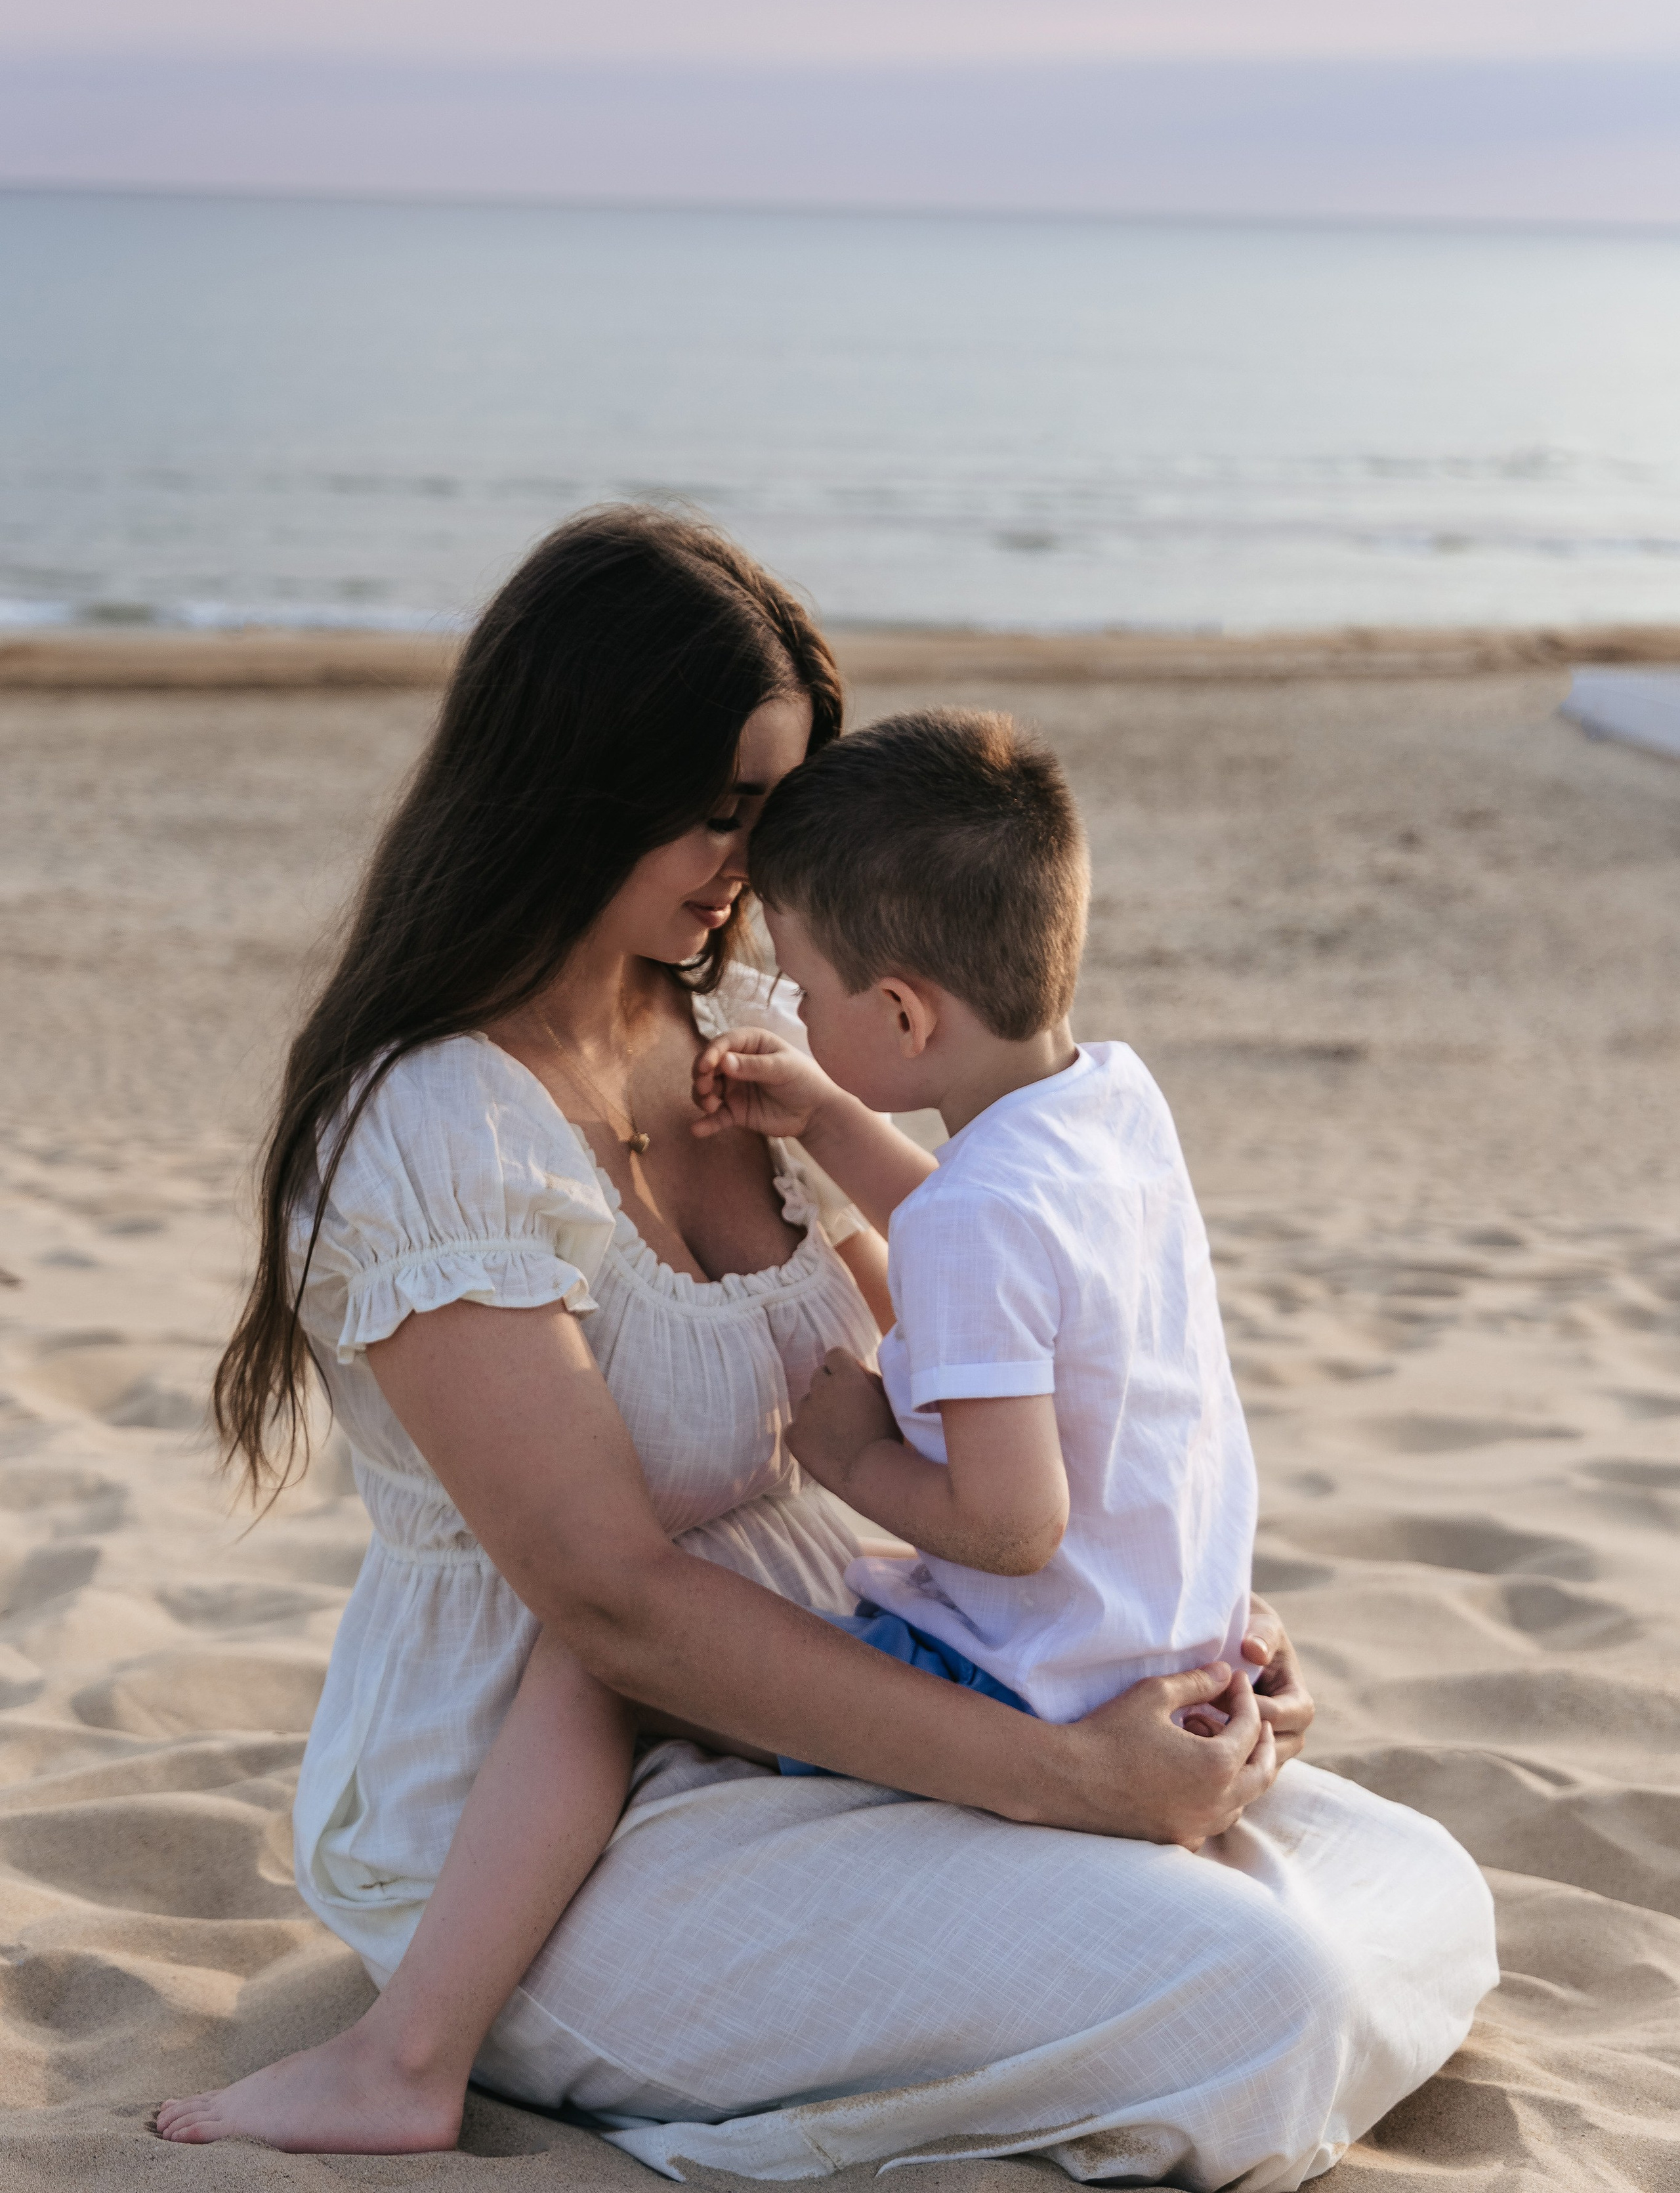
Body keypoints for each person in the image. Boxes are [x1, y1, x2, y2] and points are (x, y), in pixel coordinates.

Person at [157, 505, 1496, 2183]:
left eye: (772, 816)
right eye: (716, 813)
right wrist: (1071, 1781)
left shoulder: (746, 1029)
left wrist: (1171, 1618)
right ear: (577, 778)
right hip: (542, 1815)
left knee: (1410, 1884)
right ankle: (415, 2053)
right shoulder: (428, 1127)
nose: (750, 869)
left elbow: (982, 1340)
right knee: (1265, 1988)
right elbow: (607, 1600)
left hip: (857, 1679)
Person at [695, 704, 1260, 1766]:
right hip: (1163, 1631)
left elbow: (1010, 1528)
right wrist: (826, 1116)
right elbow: (996, 1250)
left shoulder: (973, 1218)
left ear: (906, 1016)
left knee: (645, 1675)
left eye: (808, 993)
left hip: (1030, 1682)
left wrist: (853, 1455)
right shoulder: (1112, 1105)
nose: (797, 1013)